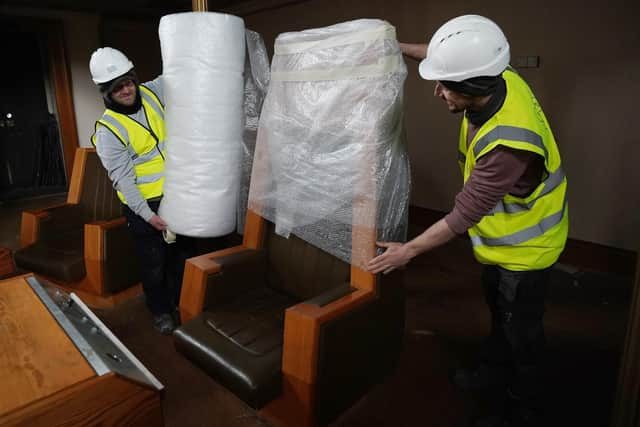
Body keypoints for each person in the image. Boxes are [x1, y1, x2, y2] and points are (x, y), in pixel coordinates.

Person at [368, 15, 568, 427]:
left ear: (475, 88)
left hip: (527, 251)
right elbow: (447, 58)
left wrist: (408, 251)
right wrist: (398, 46)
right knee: (499, 315)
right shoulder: (497, 73)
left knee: (521, 334)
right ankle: (492, 374)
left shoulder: (508, 145)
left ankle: (523, 409)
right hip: (499, 242)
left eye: (445, 86)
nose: (437, 92)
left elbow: (464, 214)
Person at [89, 47, 194, 335]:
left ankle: (179, 303)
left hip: (176, 195)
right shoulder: (108, 131)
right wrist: (148, 215)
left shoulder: (150, 92)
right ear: (105, 93)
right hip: (144, 208)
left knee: (182, 257)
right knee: (154, 265)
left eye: (128, 82)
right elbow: (123, 180)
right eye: (116, 88)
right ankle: (160, 310)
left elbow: (175, 73)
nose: (126, 90)